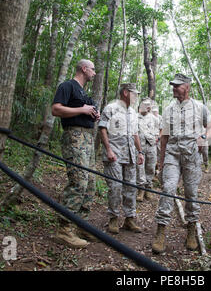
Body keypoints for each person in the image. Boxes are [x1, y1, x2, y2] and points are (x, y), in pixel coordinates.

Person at [152, 73, 211, 254]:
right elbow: (164, 137)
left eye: (177, 85)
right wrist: (161, 162)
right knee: (168, 188)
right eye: (172, 85)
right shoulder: (169, 109)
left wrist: (204, 136)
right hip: (172, 153)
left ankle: (191, 231)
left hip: (192, 155)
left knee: (191, 194)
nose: (173, 88)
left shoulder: (200, 107)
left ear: (187, 87)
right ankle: (161, 231)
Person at [51, 59, 100, 248]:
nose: (94, 73)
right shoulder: (67, 86)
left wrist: (93, 114)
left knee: (90, 183)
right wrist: (82, 109)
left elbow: (86, 111)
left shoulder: (83, 92)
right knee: (78, 181)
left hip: (87, 137)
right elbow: (56, 109)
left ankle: (80, 224)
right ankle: (64, 229)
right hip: (74, 137)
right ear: (84, 69)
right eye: (93, 69)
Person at [98, 83, 144, 234]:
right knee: (115, 188)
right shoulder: (110, 108)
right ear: (125, 93)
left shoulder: (133, 112)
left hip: (130, 156)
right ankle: (113, 218)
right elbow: (102, 129)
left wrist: (140, 151)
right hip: (114, 155)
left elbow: (135, 134)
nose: (136, 96)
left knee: (131, 187)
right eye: (134, 93)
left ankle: (129, 219)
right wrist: (108, 150)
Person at [136, 98, 160, 202]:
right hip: (139, 146)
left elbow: (160, 129)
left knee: (150, 167)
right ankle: (141, 190)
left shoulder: (154, 118)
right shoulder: (135, 117)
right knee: (140, 168)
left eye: (149, 105)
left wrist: (156, 138)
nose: (148, 107)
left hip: (151, 146)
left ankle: (148, 188)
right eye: (146, 105)